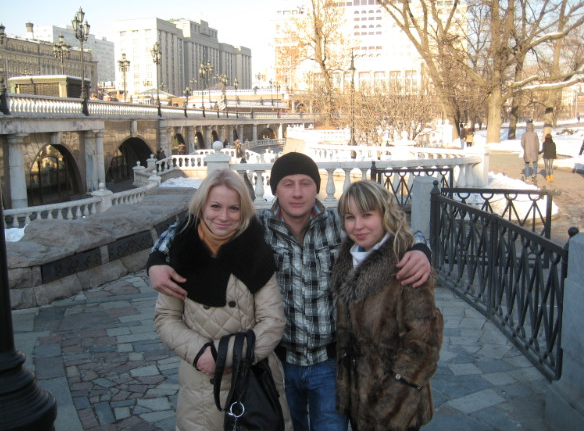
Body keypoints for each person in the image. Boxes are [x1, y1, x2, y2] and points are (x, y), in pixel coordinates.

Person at [147, 152, 432, 431]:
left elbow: (393, 232)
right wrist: (156, 260)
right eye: (288, 184)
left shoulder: (339, 225)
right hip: (280, 363)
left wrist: (420, 249)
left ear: (316, 187)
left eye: (305, 183)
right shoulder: (256, 229)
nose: (297, 193)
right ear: (275, 189)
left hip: (329, 363)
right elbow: (187, 230)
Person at [152, 169, 292, 431]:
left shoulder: (257, 251)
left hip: (254, 381)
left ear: (243, 211)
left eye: (233, 208)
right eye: (215, 206)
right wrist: (201, 353)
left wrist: (229, 356)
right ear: (202, 206)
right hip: (201, 383)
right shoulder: (181, 251)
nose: (224, 217)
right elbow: (166, 318)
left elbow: (273, 321)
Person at [330, 180, 443, 431]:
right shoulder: (348, 259)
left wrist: (386, 405)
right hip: (359, 402)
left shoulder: (406, 265)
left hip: (393, 412)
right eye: (350, 217)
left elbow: (424, 346)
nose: (358, 225)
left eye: (367, 215)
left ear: (385, 214)